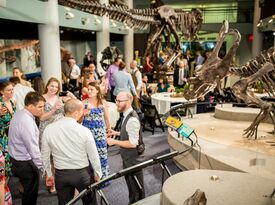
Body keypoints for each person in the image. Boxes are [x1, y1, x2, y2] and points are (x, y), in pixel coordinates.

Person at [41, 99, 102, 205]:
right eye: (82, 110)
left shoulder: (49, 129)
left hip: (61, 175)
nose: (83, 113)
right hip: (82, 175)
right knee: (90, 202)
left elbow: (45, 155)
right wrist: (98, 173)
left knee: (64, 203)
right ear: (76, 113)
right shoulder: (84, 131)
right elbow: (93, 155)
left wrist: (49, 174)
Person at [107, 92, 145, 204]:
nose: (116, 103)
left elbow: (133, 143)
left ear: (128, 102)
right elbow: (128, 132)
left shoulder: (132, 119)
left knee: (136, 188)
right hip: (128, 158)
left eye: (119, 101)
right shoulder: (126, 115)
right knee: (131, 185)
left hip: (133, 160)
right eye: (116, 100)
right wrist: (117, 133)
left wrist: (114, 141)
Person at [8, 92, 45, 205]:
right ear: (30, 106)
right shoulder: (26, 121)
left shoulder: (20, 113)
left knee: (27, 191)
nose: (42, 110)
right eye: (40, 107)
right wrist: (42, 167)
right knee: (30, 195)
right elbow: (32, 148)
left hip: (16, 158)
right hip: (25, 163)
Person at [82, 82, 111, 187]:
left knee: (101, 155)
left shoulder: (102, 102)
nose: (89, 91)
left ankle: (102, 180)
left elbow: (107, 118)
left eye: (92, 89)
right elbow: (78, 119)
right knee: (87, 156)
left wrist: (109, 129)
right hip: (87, 133)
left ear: (97, 90)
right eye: (88, 89)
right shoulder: (83, 102)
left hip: (100, 134)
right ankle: (88, 181)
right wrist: (84, 113)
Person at [0, 81, 16, 178]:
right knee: (5, 166)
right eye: (8, 90)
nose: (11, 91)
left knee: (12, 164)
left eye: (12, 89)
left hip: (12, 137)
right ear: (2, 92)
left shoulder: (12, 102)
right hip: (2, 138)